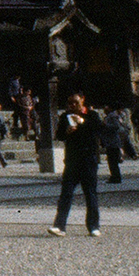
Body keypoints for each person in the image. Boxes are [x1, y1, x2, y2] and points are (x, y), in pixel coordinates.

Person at [50, 92, 102, 237]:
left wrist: (82, 123)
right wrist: (66, 132)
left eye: (75, 102)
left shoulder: (92, 116)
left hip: (88, 160)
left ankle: (93, 226)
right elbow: (59, 135)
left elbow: (99, 129)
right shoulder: (65, 117)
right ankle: (59, 226)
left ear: (82, 101)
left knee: (90, 194)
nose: (72, 106)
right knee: (66, 193)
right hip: (72, 160)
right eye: (70, 103)